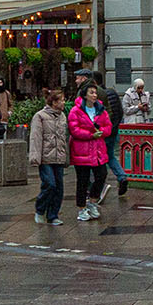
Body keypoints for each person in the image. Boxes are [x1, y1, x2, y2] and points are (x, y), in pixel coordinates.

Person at [67, 84, 111, 221]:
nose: (94, 95)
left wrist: (101, 132)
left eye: (95, 93)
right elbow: (74, 130)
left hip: (98, 149)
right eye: (91, 93)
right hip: (82, 150)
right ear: (85, 95)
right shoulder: (76, 111)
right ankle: (81, 208)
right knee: (83, 180)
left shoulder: (101, 110)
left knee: (101, 175)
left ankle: (92, 202)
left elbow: (108, 126)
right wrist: (90, 135)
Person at [27, 88, 68, 227]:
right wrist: (34, 156)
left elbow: (64, 138)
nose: (64, 102)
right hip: (45, 157)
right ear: (54, 102)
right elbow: (35, 137)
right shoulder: (40, 116)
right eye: (61, 100)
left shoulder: (62, 116)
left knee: (59, 187)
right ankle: (40, 209)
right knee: (49, 184)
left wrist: (66, 156)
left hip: (59, 157)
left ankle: (53, 215)